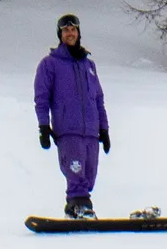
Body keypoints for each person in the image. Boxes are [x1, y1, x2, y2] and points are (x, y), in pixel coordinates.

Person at [33, 13, 110, 219]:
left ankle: (81, 207)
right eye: (66, 30)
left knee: (89, 176)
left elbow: (98, 98)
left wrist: (104, 128)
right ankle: (77, 207)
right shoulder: (50, 64)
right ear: (60, 34)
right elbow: (42, 98)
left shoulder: (88, 66)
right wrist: (43, 127)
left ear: (78, 33)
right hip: (68, 130)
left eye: (73, 29)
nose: (70, 33)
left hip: (91, 131)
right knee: (75, 173)